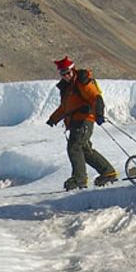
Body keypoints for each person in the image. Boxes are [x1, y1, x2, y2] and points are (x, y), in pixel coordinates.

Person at [46, 56, 118, 190]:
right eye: (63, 73)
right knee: (85, 149)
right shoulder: (68, 88)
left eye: (68, 72)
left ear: (73, 69)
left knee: (74, 147)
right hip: (76, 122)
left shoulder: (82, 81)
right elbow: (65, 108)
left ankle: (79, 179)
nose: (66, 75)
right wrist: (53, 119)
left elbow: (96, 97)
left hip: (84, 120)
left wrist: (99, 114)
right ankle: (108, 172)